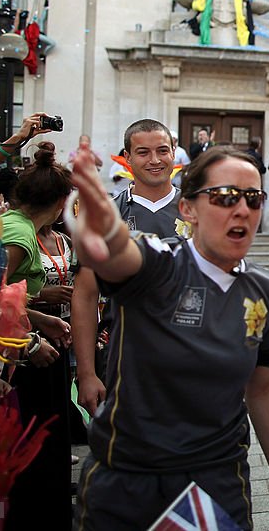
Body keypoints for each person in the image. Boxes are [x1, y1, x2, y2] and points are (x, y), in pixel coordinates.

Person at [70, 146, 269, 530]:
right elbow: (119, 253)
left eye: (253, 198)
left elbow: (262, 389)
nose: (242, 209)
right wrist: (102, 228)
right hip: (128, 478)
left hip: (216, 480)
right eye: (225, 197)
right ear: (187, 210)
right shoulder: (159, 264)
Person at [0, 142, 75, 530]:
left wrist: (37, 318)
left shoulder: (12, 223)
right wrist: (31, 339)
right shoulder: (18, 235)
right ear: (61, 202)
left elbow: (1, 293)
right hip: (1, 357)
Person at [72, 119, 183, 415]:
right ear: (127, 157)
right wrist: (86, 373)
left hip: (192, 353)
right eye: (144, 152)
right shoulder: (107, 216)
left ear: (174, 153)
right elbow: (84, 295)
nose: (155, 160)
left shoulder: (198, 210)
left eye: (163, 150)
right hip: (124, 356)